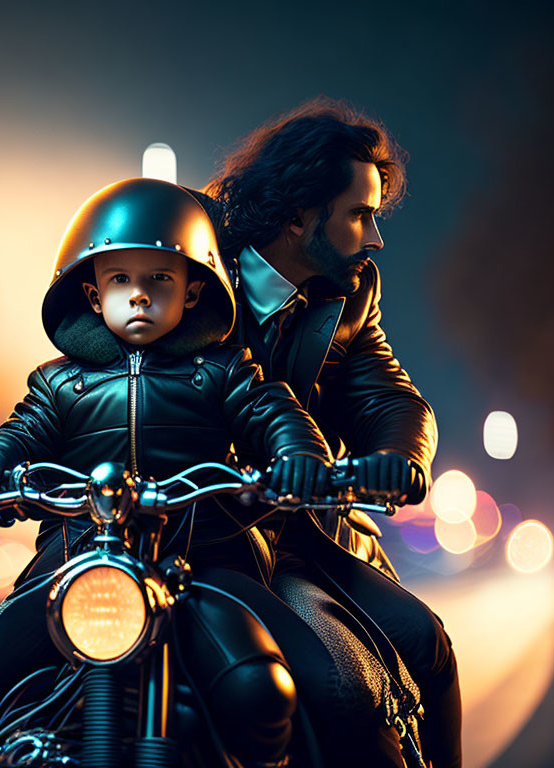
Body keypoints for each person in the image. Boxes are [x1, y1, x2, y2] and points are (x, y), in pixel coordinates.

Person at [0, 178, 401, 768]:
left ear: (194, 292)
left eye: (160, 279)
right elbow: (17, 435)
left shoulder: (226, 370)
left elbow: (275, 413)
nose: (139, 296)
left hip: (210, 564)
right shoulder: (56, 383)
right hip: (75, 564)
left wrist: (299, 459)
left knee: (288, 689)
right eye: (120, 279)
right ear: (93, 295)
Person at [199, 96, 462, 768]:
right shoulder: (190, 276)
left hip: (299, 542)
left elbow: (389, 395)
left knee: (418, 645)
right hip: (184, 532)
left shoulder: (349, 292)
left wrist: (399, 458)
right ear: (296, 213)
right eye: (359, 215)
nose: (374, 238)